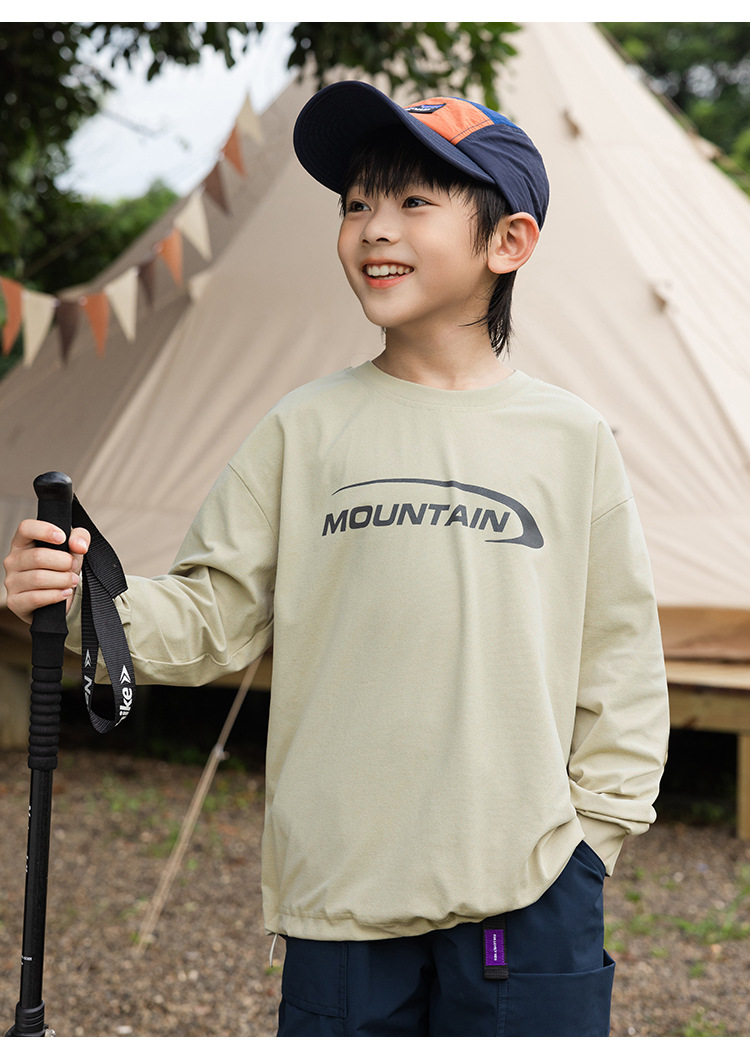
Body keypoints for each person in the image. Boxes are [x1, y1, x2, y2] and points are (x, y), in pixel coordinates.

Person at [3, 81, 670, 1037]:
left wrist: (589, 848)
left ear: (509, 241)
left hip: (527, 892)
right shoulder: (303, 429)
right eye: (356, 203)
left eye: (413, 201)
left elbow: (622, 665)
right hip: (343, 899)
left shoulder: (573, 440)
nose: (373, 228)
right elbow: (212, 617)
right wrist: (78, 597)